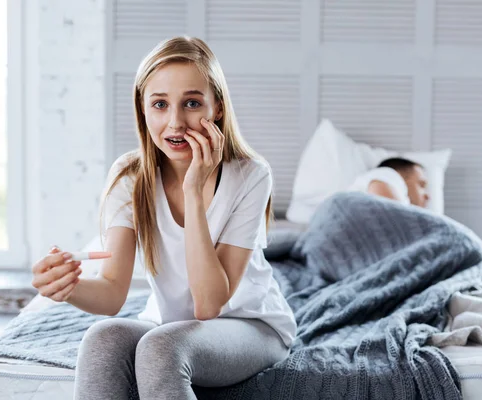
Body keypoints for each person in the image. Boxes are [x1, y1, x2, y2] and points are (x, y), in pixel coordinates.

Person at [30, 36, 296, 400]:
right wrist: (67, 287)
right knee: (102, 338)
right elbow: (111, 295)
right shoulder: (129, 177)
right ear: (143, 109)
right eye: (159, 104)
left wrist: (193, 189)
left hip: (251, 326)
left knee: (161, 348)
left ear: (216, 107)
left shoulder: (250, 174)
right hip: (168, 326)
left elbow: (207, 305)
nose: (175, 122)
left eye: (191, 103)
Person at [347, 157, 430, 208]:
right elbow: (385, 210)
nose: (428, 196)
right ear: (402, 176)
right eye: (421, 185)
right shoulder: (388, 173)